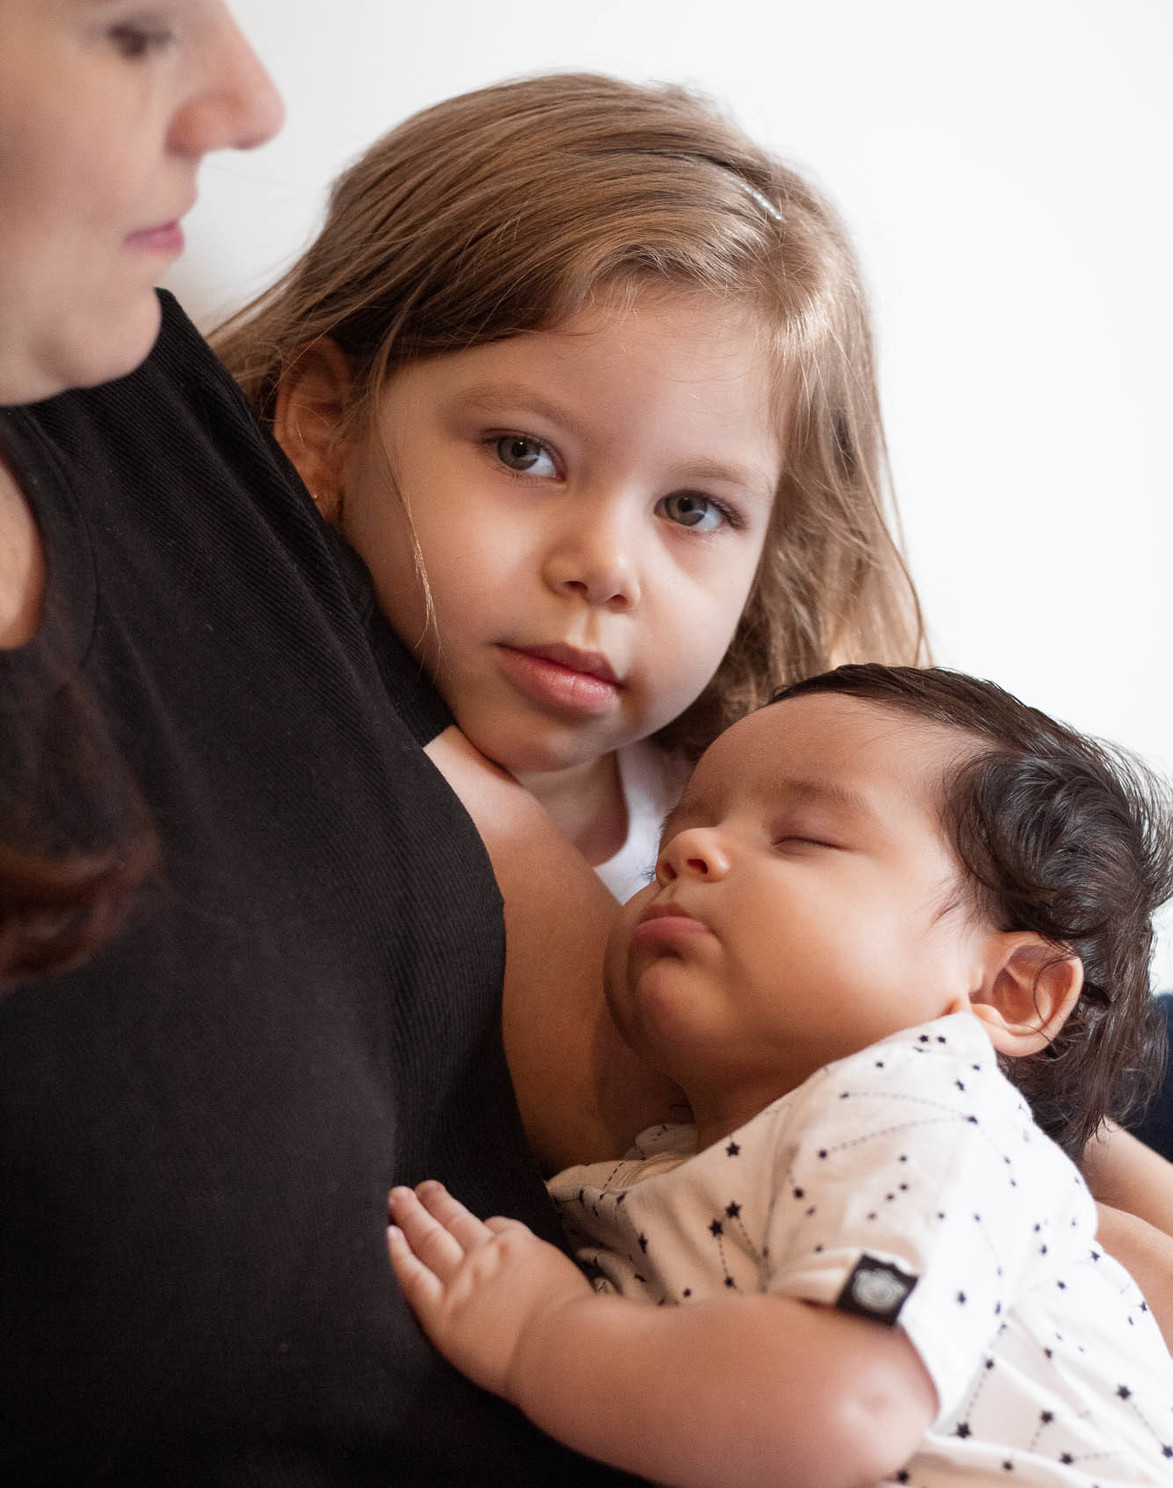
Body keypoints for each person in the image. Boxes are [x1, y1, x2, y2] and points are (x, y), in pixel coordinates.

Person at [0, 5, 918, 1488]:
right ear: (337, 421)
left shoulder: (137, 399)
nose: (253, 103)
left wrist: (1091, 1200)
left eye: (700, 511)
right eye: (126, 25)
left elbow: (699, 1075)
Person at [390, 665, 1173, 1488]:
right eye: (688, 826)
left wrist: (545, 1337)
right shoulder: (689, 1164)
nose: (693, 852)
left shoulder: (921, 1113)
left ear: (1008, 994)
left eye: (806, 839)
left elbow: (847, 1393)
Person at [212, 72, 924, 899]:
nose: (606, 568)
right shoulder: (222, 736)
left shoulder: (754, 883)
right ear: (329, 424)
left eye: (692, 508)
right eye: (524, 454)